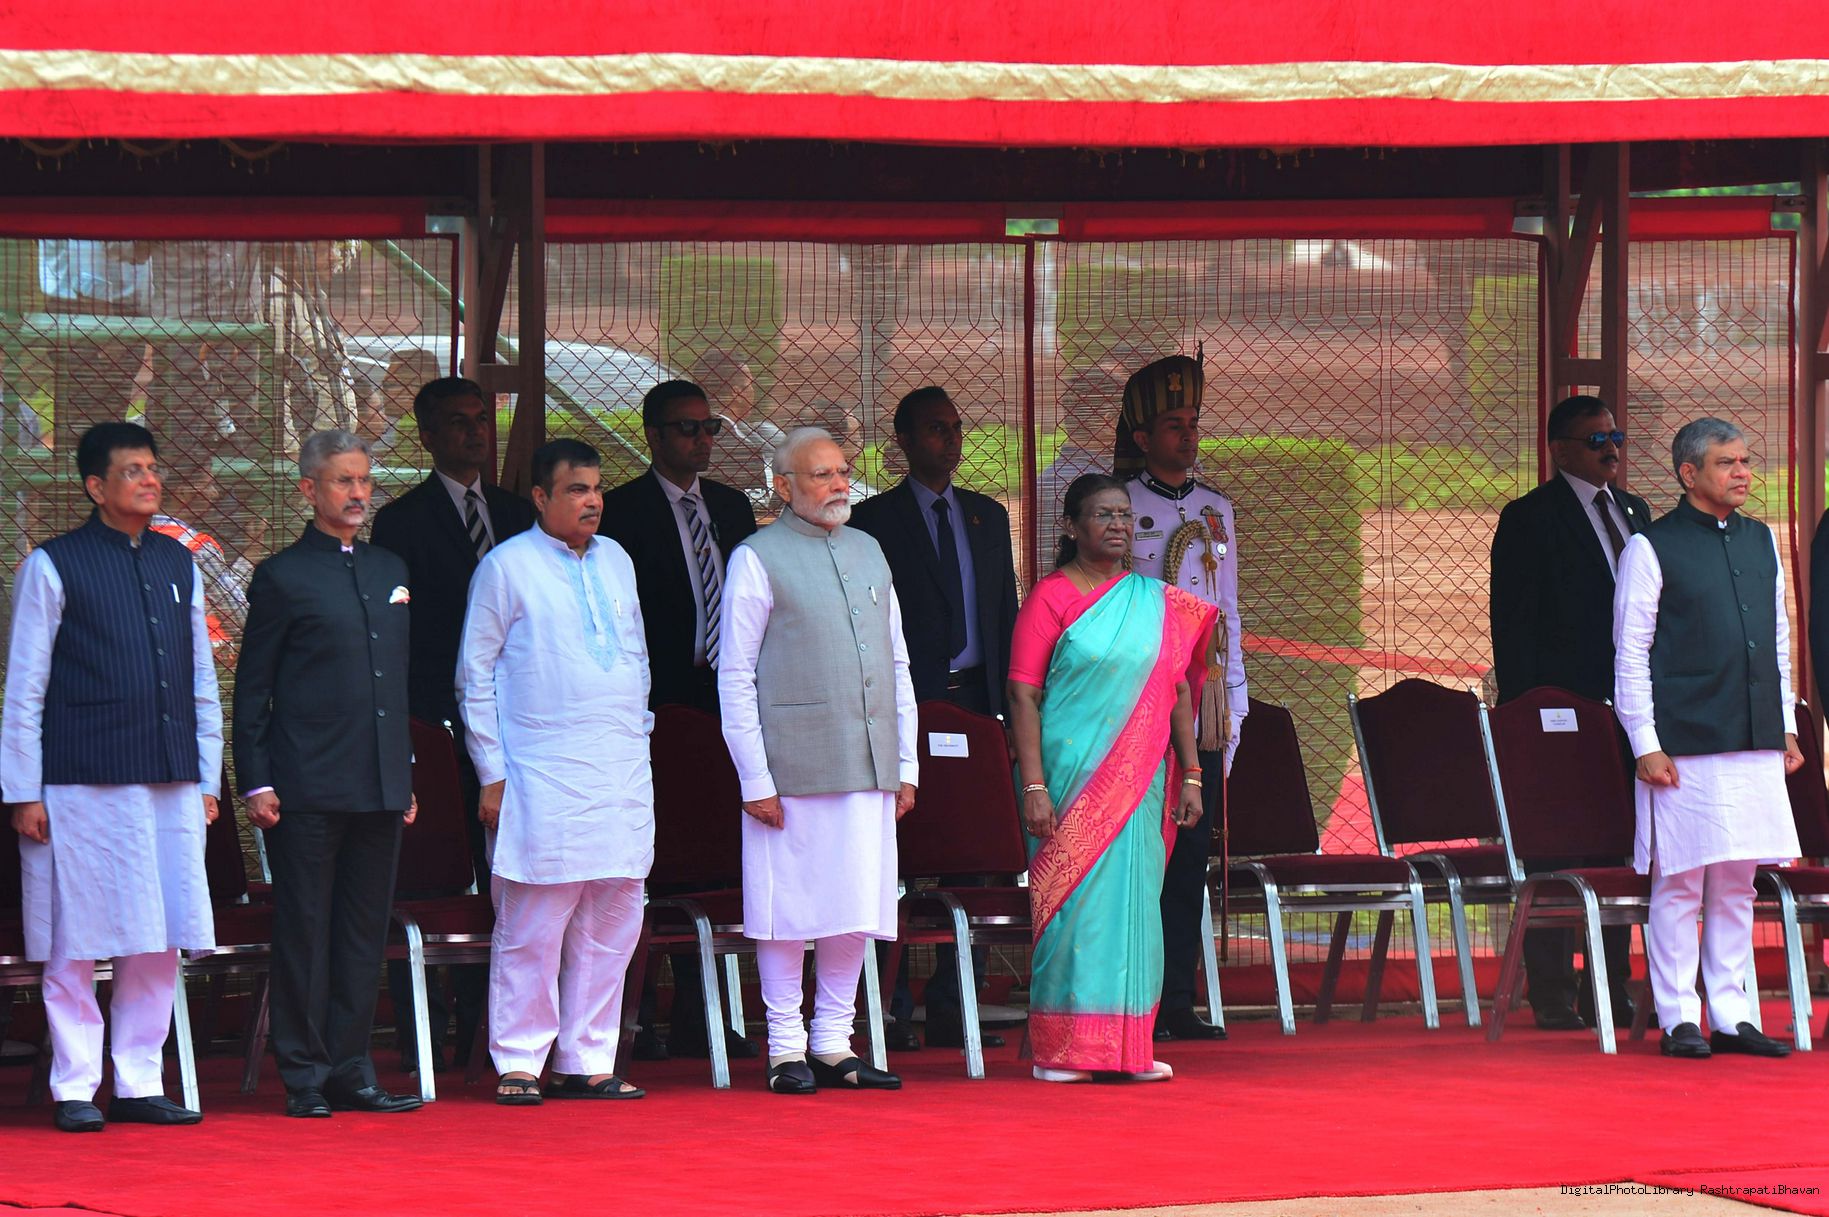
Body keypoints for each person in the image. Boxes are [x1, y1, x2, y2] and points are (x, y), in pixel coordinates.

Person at [0, 422, 220, 1132]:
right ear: (96, 487)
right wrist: (22, 791)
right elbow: (24, 688)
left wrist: (208, 777)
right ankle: (74, 1085)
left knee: (158, 934)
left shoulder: (179, 561)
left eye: (153, 468)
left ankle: (137, 1081)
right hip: (79, 780)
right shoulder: (52, 564)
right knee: (75, 936)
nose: (149, 480)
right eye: (132, 471)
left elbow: (201, 680)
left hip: (170, 776)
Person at [233, 429, 424, 1117]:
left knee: (362, 934)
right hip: (306, 784)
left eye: (365, 480)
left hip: (379, 783)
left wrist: (403, 772)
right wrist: (256, 780)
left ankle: (352, 1070)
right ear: (309, 489)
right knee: (306, 931)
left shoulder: (389, 567)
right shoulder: (283, 575)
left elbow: (396, 684)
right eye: (344, 481)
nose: (358, 493)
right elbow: (253, 688)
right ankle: (305, 1077)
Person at [718, 426, 913, 1094]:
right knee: (787, 908)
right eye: (821, 474)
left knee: (854, 901)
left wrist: (906, 764)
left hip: (867, 757)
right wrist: (753, 776)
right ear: (782, 486)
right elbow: (735, 674)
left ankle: (833, 1042)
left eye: (841, 472)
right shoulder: (756, 557)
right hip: (789, 765)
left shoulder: (869, 549)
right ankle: (785, 1048)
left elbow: (897, 662)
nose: (838, 485)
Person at [459, 439, 655, 1104]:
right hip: (539, 771)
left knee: (614, 917)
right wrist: (491, 771)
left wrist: (636, 737)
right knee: (534, 922)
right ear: (540, 497)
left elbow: (636, 658)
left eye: (596, 488)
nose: (592, 500)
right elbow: (474, 675)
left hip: (619, 769)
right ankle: (520, 1058)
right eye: (576, 489)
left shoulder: (618, 560)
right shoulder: (505, 566)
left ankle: (585, 1057)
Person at [1008, 474, 1216, 1082]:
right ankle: (1062, 1051)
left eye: (1125, 515)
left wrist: (1193, 774)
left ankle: (1128, 1049)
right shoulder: (1050, 597)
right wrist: (1034, 787)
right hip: (1069, 778)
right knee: (1076, 908)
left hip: (1142, 779)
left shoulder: (1156, 601)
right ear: (1072, 526)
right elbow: (1023, 695)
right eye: (1103, 515)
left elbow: (1179, 691)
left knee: (1135, 906)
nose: (1119, 525)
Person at [1613, 417, 1802, 1059]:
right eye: (1727, 463)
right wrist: (1644, 742)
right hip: (1683, 741)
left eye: (1745, 460)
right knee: (1680, 882)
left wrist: (1785, 727)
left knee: (1738, 883)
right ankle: (1678, 1019)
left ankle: (1732, 1014)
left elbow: (1777, 641)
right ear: (1689, 473)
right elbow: (1630, 652)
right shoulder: (1650, 547)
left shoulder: (1761, 539)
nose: (1742, 472)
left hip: (1752, 734)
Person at [370, 376, 536, 1072]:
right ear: (428, 435)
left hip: (516, 722)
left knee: (513, 874)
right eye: (459, 422)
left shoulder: (517, 512)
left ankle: (492, 1021)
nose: (474, 432)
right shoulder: (402, 521)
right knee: (434, 869)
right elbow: (399, 629)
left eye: (481, 420)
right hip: (436, 721)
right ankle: (425, 1030)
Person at [851, 386, 1020, 1052]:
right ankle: (888, 1005)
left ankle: (955, 1006)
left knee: (972, 857)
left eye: (955, 427)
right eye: (934, 429)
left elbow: (1002, 613)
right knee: (897, 851)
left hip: (975, 703)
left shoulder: (987, 516)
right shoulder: (873, 520)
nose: (949, 440)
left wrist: (1009, 714)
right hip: (906, 705)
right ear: (902, 440)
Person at [600, 379, 759, 1063]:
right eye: (687, 428)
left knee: (714, 853)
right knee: (656, 856)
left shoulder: (730, 506)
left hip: (725, 698)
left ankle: (703, 1013)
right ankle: (637, 1016)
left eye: (708, 427)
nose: (701, 440)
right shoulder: (623, 511)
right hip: (656, 701)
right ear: (654, 435)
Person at [1489, 394, 1649, 1031]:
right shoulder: (1530, 518)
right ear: (1559, 450)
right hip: (1557, 713)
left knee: (1617, 846)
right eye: (1595, 440)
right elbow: (1515, 622)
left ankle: (1608, 988)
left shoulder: (1634, 511)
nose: (1611, 450)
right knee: (1554, 848)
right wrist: (1527, 712)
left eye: (1616, 438)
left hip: (1626, 710)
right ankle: (1551, 990)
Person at [1117, 354, 1245, 1043]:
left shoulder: (1215, 510)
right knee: (1141, 855)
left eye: (1193, 422)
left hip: (1201, 708)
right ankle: (1130, 997)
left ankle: (1176, 1001)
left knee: (1191, 856)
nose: (1188, 435)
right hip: (1138, 703)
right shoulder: (1119, 506)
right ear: (1142, 437)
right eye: (1173, 425)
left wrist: (1235, 704)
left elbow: (1229, 614)